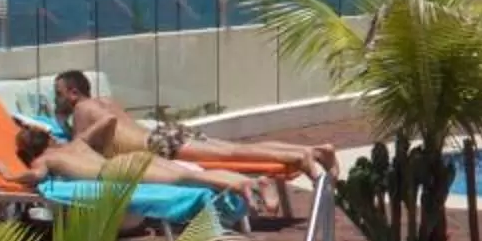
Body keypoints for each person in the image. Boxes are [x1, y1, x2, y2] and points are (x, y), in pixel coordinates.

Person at [52, 70, 334, 174]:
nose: (57, 100)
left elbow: (86, 150)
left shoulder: (83, 110)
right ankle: (316, 151)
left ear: (74, 93)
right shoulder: (104, 100)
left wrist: (69, 136)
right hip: (164, 134)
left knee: (233, 153)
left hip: (158, 144)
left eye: (59, 94)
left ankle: (304, 157)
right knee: (232, 149)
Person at [13, 123, 267, 204]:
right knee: (185, 173)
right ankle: (250, 182)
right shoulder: (75, 143)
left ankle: (243, 186)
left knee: (188, 179)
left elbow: (35, 177)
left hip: (115, 171)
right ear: (48, 138)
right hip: (127, 159)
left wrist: (10, 174)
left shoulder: (45, 159)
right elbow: (106, 122)